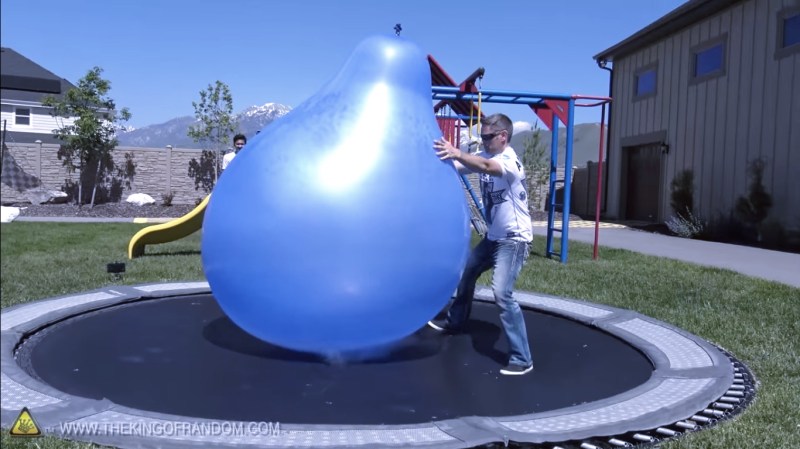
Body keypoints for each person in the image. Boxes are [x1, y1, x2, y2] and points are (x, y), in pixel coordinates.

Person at [429, 113, 534, 376]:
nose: (484, 142)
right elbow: (453, 168)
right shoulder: (486, 157)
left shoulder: (511, 162)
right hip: (493, 238)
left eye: (488, 137)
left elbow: (486, 168)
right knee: (467, 273)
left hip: (514, 240)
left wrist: (456, 152)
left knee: (502, 293)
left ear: (503, 137)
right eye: (482, 137)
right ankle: (456, 322)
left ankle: (523, 359)